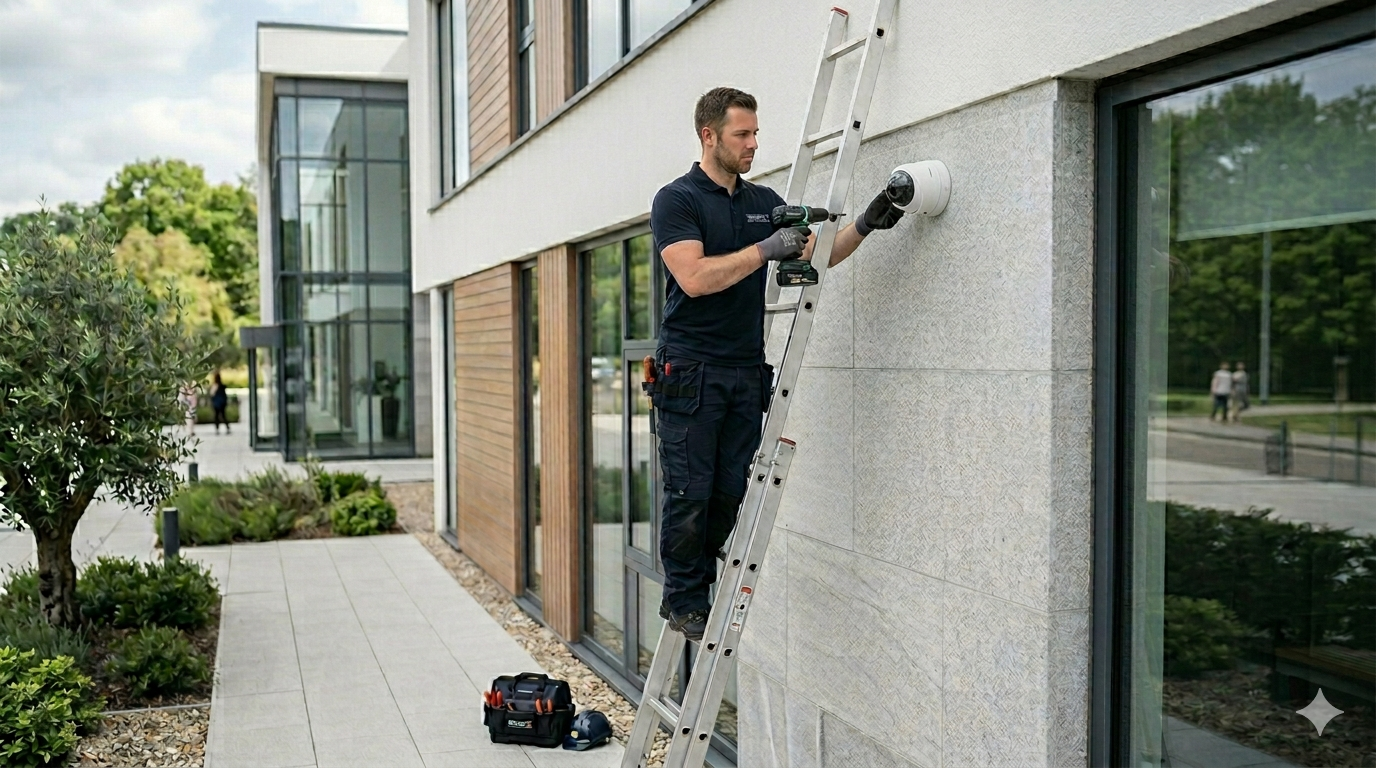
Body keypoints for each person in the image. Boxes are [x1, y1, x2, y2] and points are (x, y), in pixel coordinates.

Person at [648, 87, 907, 640]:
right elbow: (694, 279)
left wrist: (865, 223)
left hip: (744, 370)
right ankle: (684, 599)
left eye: (756, 133)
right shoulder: (678, 201)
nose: (753, 144)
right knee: (690, 491)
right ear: (709, 135)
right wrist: (765, 249)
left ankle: (699, 575)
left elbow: (822, 252)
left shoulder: (760, 201)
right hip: (690, 371)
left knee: (729, 490)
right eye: (742, 135)